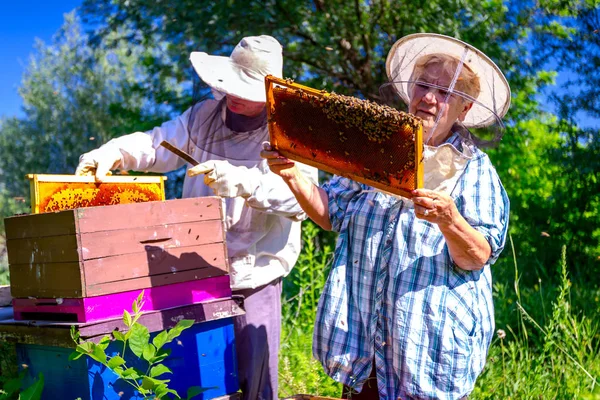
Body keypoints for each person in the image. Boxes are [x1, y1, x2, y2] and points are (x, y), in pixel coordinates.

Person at [261, 33, 511, 399]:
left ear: (464, 110)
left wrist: (449, 219)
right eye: (423, 85)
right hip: (363, 344)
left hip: (427, 349)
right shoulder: (374, 147)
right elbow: (332, 213)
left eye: (445, 93)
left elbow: (478, 256)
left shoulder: (475, 170)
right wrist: (292, 175)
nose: (429, 98)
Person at [75, 35, 318, 400]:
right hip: (197, 274)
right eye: (231, 84)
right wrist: (115, 152)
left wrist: (242, 181)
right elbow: (157, 143)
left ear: (270, 91)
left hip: (256, 278)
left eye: (245, 88)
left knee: (256, 386)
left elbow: (300, 201)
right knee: (202, 384)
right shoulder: (203, 116)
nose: (233, 94)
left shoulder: (291, 132)